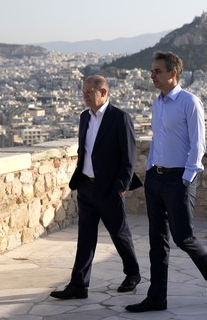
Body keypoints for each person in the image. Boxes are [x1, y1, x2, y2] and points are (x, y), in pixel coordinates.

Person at [126, 51, 207, 313]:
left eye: (157, 71)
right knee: (157, 240)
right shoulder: (157, 103)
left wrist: (186, 178)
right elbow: (158, 140)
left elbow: (198, 144)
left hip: (180, 178)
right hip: (156, 178)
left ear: (173, 74)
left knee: (183, 236)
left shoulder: (190, 102)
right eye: (152, 71)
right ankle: (157, 297)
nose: (152, 75)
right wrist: (149, 171)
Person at [50, 75, 142, 300]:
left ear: (104, 92)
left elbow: (129, 157)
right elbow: (85, 150)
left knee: (119, 234)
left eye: (89, 92)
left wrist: (121, 187)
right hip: (86, 186)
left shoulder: (120, 118)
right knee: (86, 237)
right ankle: (78, 285)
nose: (85, 96)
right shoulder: (84, 118)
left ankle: (133, 273)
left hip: (109, 189)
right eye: (83, 92)